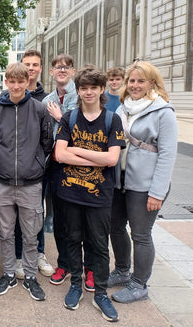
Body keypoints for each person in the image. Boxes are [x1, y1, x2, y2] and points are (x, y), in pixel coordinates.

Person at [54, 66, 125, 322]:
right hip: (70, 193)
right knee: (72, 239)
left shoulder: (111, 120)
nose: (88, 92)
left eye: (93, 87)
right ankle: (75, 284)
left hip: (99, 195)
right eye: (83, 88)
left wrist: (78, 151)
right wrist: (98, 157)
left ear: (101, 89)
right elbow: (59, 154)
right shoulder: (69, 118)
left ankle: (101, 293)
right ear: (79, 90)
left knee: (98, 244)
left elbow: (113, 158)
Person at [109, 61, 177, 303]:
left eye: (140, 81)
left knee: (140, 234)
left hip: (145, 186)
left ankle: (139, 283)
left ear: (152, 83)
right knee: (115, 228)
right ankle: (121, 271)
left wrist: (157, 193)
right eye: (132, 81)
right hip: (120, 183)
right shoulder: (121, 109)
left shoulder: (163, 112)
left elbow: (168, 155)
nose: (135, 85)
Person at [0, 63, 53, 302]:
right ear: (6, 82)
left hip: (30, 183)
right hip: (3, 183)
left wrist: (35, 164)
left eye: (20, 81)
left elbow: (47, 143)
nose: (16, 86)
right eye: (11, 81)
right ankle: (8, 273)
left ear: (27, 82)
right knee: (5, 233)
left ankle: (30, 276)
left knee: (30, 234)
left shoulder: (39, 109)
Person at [42, 54, 87, 288]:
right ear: (51, 72)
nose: (62, 70)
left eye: (66, 67)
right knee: (59, 219)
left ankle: (86, 267)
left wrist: (61, 118)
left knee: (80, 220)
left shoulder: (82, 96)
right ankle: (64, 264)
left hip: (80, 165)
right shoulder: (47, 100)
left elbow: (85, 130)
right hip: (55, 166)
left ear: (73, 71)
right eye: (58, 67)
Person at [13, 50, 55, 280]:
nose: (30, 68)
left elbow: (48, 138)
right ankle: (18, 255)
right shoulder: (8, 96)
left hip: (38, 170)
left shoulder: (46, 100)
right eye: (27, 64)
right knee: (18, 214)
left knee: (37, 212)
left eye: (35, 64)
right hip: (14, 171)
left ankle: (39, 253)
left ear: (40, 68)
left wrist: (40, 161)